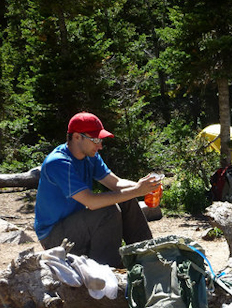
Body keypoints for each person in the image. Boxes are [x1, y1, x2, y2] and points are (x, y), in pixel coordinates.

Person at [34, 111, 162, 267]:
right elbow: (91, 202)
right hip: (54, 237)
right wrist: (137, 190)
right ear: (76, 137)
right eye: (95, 139)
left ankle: (148, 257)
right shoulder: (59, 163)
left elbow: (116, 183)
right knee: (108, 210)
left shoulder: (90, 156)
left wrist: (145, 186)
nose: (100, 145)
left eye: (100, 140)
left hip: (78, 224)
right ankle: (108, 269)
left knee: (127, 199)